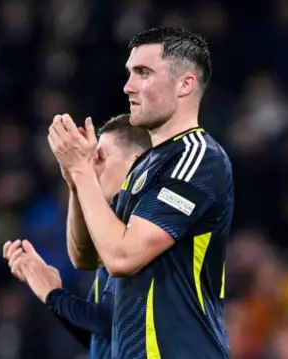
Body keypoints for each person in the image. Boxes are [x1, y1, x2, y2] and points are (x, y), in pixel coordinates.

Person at [44, 27, 234, 358]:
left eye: (143, 73)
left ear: (185, 84)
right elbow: (88, 256)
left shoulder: (197, 156)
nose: (128, 86)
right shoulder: (145, 167)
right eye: (130, 73)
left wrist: (81, 171)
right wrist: (78, 179)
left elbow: (122, 257)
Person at [3, 114, 151, 359]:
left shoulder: (150, 231)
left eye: (100, 157)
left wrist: (53, 293)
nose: (92, 167)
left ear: (137, 165)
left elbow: (113, 325)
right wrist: (74, 181)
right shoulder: (117, 228)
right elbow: (100, 332)